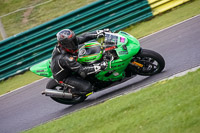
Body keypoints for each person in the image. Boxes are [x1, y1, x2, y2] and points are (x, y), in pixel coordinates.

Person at [50, 29, 109, 95]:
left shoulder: (69, 44)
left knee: (90, 47)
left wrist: (99, 33)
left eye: (74, 40)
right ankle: (72, 91)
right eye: (71, 43)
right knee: (88, 88)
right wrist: (99, 66)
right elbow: (81, 70)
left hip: (69, 66)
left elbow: (84, 37)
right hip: (65, 76)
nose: (74, 43)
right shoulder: (66, 58)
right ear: (65, 45)